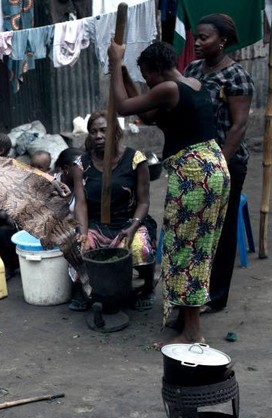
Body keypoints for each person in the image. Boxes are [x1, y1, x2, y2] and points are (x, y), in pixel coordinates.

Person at [109, 40, 230, 345]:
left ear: (159, 70)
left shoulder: (170, 88)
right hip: (213, 168)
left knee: (185, 249)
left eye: (147, 76)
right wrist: (125, 74)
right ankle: (186, 320)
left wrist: (113, 63)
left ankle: (192, 333)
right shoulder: (192, 85)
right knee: (197, 247)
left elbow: (124, 108)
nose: (147, 83)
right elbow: (148, 116)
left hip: (194, 175)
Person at [183, 14, 255, 314]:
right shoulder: (193, 69)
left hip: (226, 163)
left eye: (204, 38)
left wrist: (219, 165)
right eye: (196, 37)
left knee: (221, 232)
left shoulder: (236, 77)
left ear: (222, 41)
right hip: (194, 163)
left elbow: (238, 127)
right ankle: (192, 289)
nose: (197, 43)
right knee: (194, 228)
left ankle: (216, 296)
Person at [70, 111, 156, 312]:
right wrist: (82, 232)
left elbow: (144, 201)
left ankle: (146, 286)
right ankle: (82, 288)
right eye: (93, 132)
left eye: (103, 130)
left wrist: (134, 226)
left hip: (127, 223)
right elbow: (81, 203)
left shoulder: (135, 159)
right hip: (95, 224)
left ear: (115, 132)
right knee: (77, 247)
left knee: (140, 248)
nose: (98, 136)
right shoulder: (81, 164)